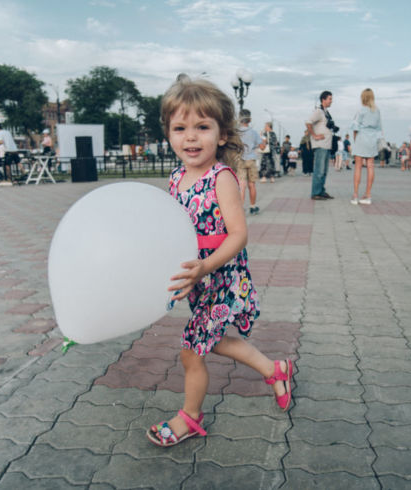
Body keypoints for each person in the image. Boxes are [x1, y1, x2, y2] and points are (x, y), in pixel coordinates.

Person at [145, 78, 294, 448]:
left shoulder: (221, 178)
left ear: (222, 134)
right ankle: (275, 370)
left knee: (192, 348)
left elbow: (238, 234)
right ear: (168, 134)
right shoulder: (177, 177)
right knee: (212, 342)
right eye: (180, 128)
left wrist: (205, 268)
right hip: (199, 277)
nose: (190, 138)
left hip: (222, 277)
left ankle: (190, 417)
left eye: (202, 127)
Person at [350, 88, 381, 205]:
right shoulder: (377, 111)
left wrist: (355, 141)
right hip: (372, 140)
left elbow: (355, 128)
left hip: (361, 138)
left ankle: (355, 195)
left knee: (358, 166)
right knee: (370, 166)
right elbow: (379, 128)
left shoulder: (361, 110)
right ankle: (368, 195)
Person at [305, 90, 335, 200]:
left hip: (327, 145)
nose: (331, 101)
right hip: (320, 145)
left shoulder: (325, 112)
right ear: (323, 99)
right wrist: (314, 135)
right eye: (330, 99)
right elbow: (308, 122)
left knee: (324, 171)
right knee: (319, 170)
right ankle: (315, 193)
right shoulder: (318, 111)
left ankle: (321, 190)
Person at [237, 109, 261, 215]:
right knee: (252, 184)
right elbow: (262, 145)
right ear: (250, 120)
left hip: (240, 159)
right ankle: (252, 206)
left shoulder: (236, 132)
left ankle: (241, 208)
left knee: (242, 185)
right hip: (251, 159)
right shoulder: (254, 132)